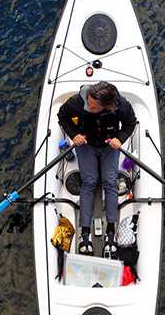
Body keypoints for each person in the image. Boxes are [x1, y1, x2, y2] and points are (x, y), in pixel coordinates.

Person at [57, 81, 137, 255]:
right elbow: (62, 117)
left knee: (109, 182)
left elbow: (131, 124)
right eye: (88, 103)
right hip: (86, 145)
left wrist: (120, 139)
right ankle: (84, 235)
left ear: (108, 107)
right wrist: (74, 135)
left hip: (110, 145)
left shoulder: (122, 106)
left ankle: (111, 233)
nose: (88, 108)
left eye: (93, 107)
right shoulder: (77, 102)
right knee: (89, 182)